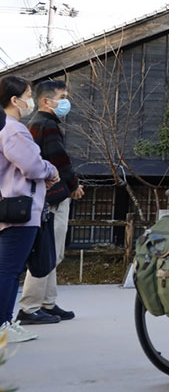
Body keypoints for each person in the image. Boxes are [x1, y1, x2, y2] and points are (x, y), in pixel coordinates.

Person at [18, 80, 83, 325]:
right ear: (46, 101)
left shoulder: (34, 124)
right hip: (52, 196)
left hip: (42, 194)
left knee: (52, 250)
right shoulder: (47, 125)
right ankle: (30, 307)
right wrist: (74, 185)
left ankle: (47, 302)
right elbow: (59, 159)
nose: (66, 101)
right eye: (63, 96)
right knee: (47, 251)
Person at [0, 76, 59, 343]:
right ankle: (3, 325)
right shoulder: (14, 130)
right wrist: (51, 170)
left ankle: (5, 323)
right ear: (14, 100)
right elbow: (33, 166)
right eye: (27, 95)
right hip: (20, 209)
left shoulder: (7, 129)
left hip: (11, 206)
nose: (30, 101)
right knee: (10, 271)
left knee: (8, 269)